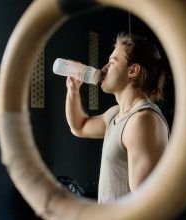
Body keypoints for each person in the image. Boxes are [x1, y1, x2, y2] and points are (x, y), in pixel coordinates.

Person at [65, 32, 169, 203]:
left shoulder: (143, 120)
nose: (104, 68)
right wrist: (73, 90)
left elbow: (146, 201)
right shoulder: (115, 113)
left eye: (112, 62)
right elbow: (80, 126)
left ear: (133, 71)